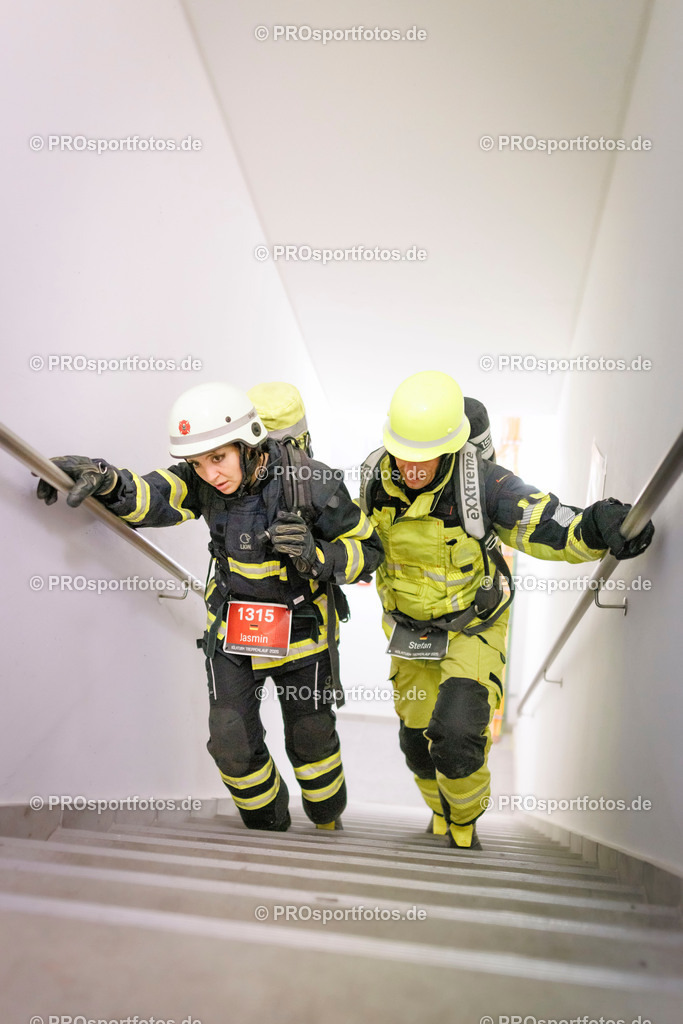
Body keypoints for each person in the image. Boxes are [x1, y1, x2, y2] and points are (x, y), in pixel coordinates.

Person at [36, 381, 384, 832]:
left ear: (251, 442)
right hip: (234, 632)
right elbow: (150, 496)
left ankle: (326, 815)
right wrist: (106, 477)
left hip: (303, 635)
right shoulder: (202, 483)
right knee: (231, 742)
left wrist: (316, 555)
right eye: (197, 463)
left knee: (312, 739)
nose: (210, 474)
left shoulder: (314, 483)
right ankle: (267, 824)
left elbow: (368, 551)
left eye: (218, 458)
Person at [359, 370, 654, 850]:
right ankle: (439, 810)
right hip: (409, 634)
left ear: (451, 446)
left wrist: (600, 525)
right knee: (416, 744)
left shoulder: (485, 486)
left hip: (473, 627)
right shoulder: (374, 479)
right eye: (404, 454)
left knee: (455, 735)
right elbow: (354, 537)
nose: (411, 467)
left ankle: (464, 820)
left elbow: (551, 523)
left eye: (425, 457)